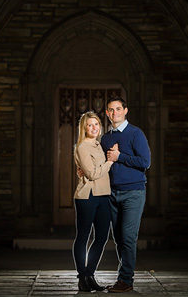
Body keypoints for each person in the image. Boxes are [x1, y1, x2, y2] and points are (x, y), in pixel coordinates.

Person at [101, 96, 151, 293]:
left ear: (125, 111)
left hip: (133, 192)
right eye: (111, 110)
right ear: (107, 113)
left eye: (118, 109)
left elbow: (145, 162)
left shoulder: (135, 134)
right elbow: (103, 165)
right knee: (119, 238)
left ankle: (126, 280)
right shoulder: (106, 139)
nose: (115, 113)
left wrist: (119, 156)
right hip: (112, 193)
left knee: (128, 237)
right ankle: (123, 278)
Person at [73, 111, 113, 292]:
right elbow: (91, 174)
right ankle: (82, 277)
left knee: (102, 237)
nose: (94, 128)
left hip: (104, 195)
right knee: (83, 237)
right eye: (90, 125)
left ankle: (90, 274)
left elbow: (91, 170)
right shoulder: (82, 146)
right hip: (87, 196)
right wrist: (110, 162)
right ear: (84, 128)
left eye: (96, 124)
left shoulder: (100, 145)